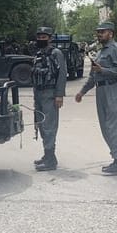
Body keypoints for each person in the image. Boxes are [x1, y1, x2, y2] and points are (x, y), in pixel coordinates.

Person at [75, 21, 117, 175]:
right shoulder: (100, 52)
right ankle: (116, 158)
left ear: (110, 33)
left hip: (114, 89)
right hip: (101, 91)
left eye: (102, 32)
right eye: (98, 32)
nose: (99, 34)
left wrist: (102, 69)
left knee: (115, 126)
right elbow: (93, 75)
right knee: (105, 126)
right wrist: (82, 92)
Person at [32, 27, 67, 171]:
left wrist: (59, 95)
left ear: (50, 38)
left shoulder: (56, 53)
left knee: (49, 126)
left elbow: (62, 74)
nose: (41, 39)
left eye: (44, 37)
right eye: (39, 36)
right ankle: (47, 155)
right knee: (41, 124)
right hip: (39, 94)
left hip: (50, 93)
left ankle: (51, 159)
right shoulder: (38, 54)